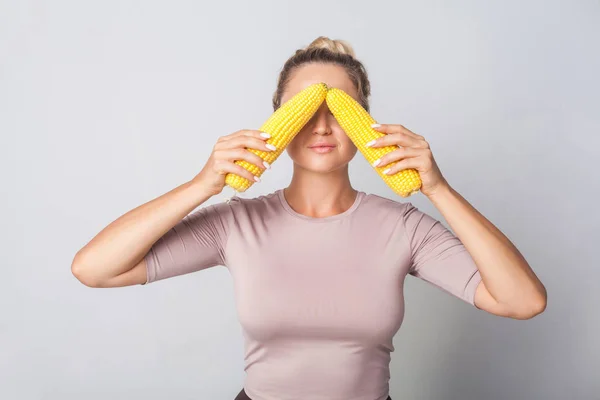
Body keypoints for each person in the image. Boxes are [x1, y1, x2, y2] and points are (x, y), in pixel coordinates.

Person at [71, 36, 547, 400]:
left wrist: (438, 189)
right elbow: (94, 268)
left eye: (340, 109)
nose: (321, 125)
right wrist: (202, 185)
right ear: (277, 118)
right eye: (304, 108)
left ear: (366, 123)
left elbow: (522, 301)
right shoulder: (236, 224)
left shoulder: (405, 228)